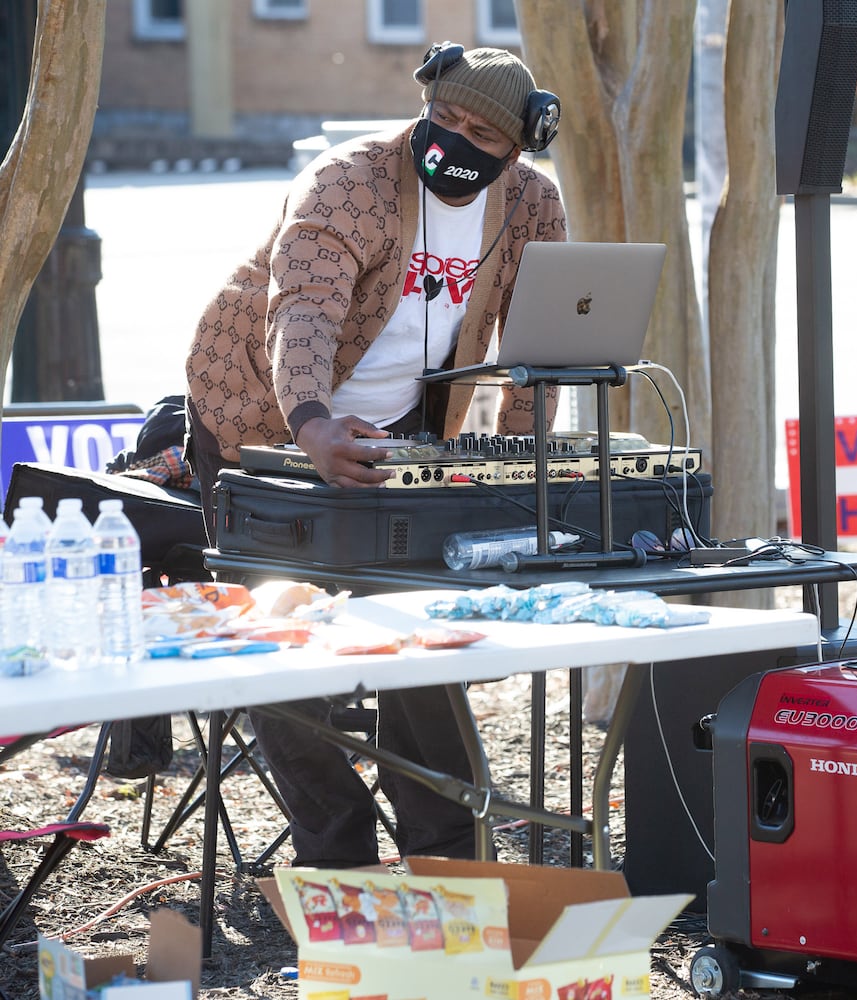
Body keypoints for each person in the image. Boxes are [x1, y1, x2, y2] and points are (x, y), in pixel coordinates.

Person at [183, 44, 566, 867]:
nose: (453, 140)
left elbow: (540, 344)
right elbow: (305, 311)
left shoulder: (532, 205)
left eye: (480, 133)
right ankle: (340, 853)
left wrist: (529, 454)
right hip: (257, 413)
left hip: (395, 434)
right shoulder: (349, 180)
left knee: (419, 633)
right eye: (445, 118)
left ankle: (449, 853)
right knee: (273, 642)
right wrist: (313, 422)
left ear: (518, 144)